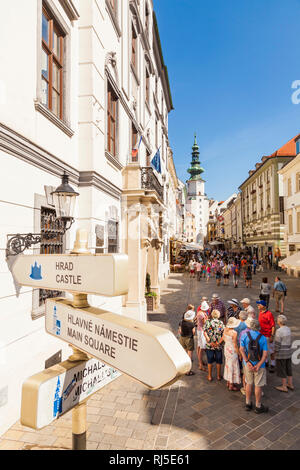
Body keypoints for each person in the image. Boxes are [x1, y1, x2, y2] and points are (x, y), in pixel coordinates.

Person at [240, 319, 269, 414]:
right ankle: (258, 406)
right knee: (258, 385)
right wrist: (258, 365)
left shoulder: (244, 335)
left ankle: (248, 403)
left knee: (248, 383)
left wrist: (247, 361)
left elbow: (242, 350)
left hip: (248, 364)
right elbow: (265, 355)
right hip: (259, 365)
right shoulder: (263, 338)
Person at [203, 310, 224, 382]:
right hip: (218, 345)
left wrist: (208, 339)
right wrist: (218, 343)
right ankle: (218, 376)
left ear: (212, 315)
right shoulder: (221, 323)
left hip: (210, 345)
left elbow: (204, 331)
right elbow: (223, 334)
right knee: (219, 361)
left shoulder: (208, 322)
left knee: (209, 361)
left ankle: (209, 376)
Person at [274, 315, 294, 393]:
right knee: (288, 368)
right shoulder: (288, 329)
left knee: (282, 369)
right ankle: (290, 384)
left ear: (279, 322)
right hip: (288, 352)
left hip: (281, 353)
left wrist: (275, 352)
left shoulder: (279, 331)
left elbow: (277, 344)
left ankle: (284, 386)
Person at [220, 317, 241, 391]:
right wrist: (239, 353)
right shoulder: (234, 333)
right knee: (233, 366)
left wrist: (218, 343)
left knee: (228, 364)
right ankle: (231, 384)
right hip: (232, 350)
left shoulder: (225, 329)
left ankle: (229, 381)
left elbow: (222, 338)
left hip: (226, 348)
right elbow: (235, 345)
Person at [257, 300, 276, 373]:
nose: (258, 306)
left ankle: (273, 364)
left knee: (271, 351)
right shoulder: (260, 313)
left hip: (268, 335)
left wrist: (272, 335)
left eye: (259, 305)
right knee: (264, 350)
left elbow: (273, 326)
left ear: (264, 306)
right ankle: (266, 362)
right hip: (262, 335)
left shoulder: (269, 314)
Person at [178, 309, 196, 376]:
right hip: (189, 339)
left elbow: (179, 331)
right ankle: (188, 371)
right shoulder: (192, 324)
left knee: (184, 354)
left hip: (182, 338)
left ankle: (183, 368)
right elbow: (194, 332)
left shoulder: (181, 322)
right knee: (189, 356)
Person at [196, 301, 210, 371]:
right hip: (201, 331)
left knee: (199, 347)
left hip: (199, 330)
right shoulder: (202, 314)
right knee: (202, 348)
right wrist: (207, 318)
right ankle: (200, 364)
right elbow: (205, 323)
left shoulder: (199, 312)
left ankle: (200, 362)